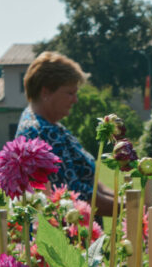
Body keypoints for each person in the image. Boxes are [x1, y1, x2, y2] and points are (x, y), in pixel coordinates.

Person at [15, 51, 116, 216]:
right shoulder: (43, 133)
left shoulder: (49, 126)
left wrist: (127, 199)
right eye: (70, 93)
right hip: (66, 236)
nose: (75, 100)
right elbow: (72, 196)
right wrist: (131, 209)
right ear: (46, 92)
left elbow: (89, 179)